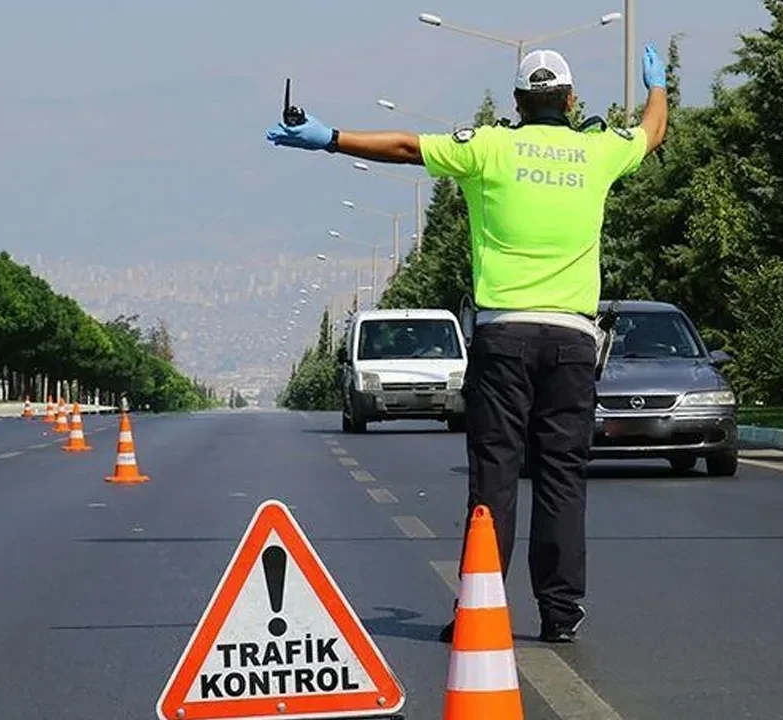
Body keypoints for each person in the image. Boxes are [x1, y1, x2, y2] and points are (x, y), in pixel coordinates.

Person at [267, 44, 670, 643]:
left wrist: (330, 138)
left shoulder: (488, 147)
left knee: (495, 474)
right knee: (562, 476)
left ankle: (481, 604)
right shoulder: (598, 151)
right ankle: (560, 613)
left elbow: (406, 148)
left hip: (503, 337)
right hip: (572, 341)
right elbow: (651, 133)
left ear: (515, 102)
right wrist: (656, 86)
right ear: (570, 99)